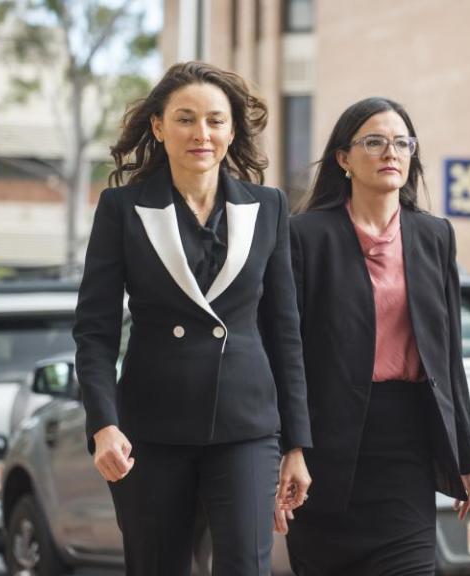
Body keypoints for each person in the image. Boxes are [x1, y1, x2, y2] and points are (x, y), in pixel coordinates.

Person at [72, 61, 312, 576]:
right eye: (184, 119)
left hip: (247, 425)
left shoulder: (269, 207)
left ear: (231, 130)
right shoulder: (122, 207)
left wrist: (295, 443)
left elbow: (284, 333)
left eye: (215, 120)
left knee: (246, 566)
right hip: (150, 429)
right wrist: (103, 424)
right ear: (158, 127)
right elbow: (95, 332)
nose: (200, 133)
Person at [277, 96, 470, 576]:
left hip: (406, 446)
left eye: (401, 142)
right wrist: (290, 448)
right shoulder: (304, 236)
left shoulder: (434, 235)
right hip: (324, 451)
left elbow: (449, 357)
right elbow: (286, 354)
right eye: (374, 142)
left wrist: (467, 458)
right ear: (343, 159)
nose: (390, 151)